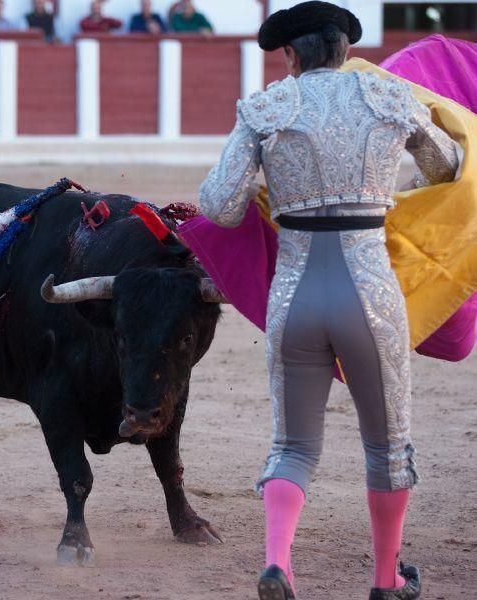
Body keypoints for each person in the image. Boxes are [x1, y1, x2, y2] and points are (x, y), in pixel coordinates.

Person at [197, 2, 459, 599]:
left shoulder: (267, 109)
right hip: (369, 293)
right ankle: (386, 579)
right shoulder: (391, 101)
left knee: (292, 444)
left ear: (290, 56)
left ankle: (279, 564)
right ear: (345, 52)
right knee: (387, 445)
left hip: (294, 295)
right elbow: (447, 166)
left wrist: (269, 187)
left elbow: (219, 206)